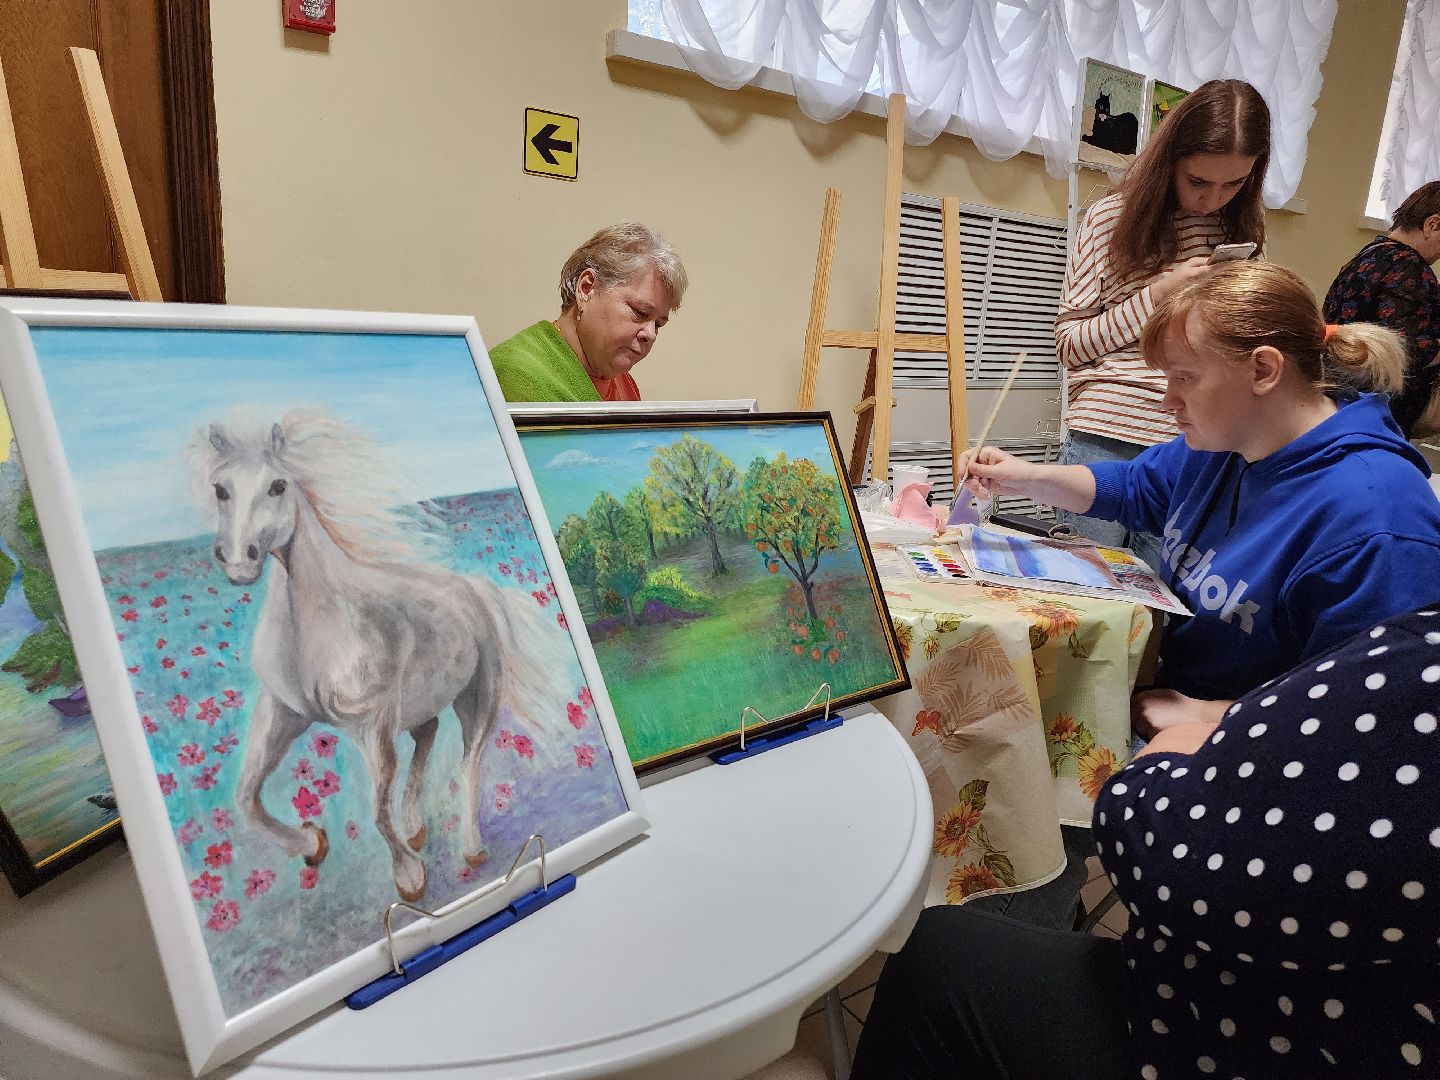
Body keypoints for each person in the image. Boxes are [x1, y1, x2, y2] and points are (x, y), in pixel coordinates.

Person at [849, 602, 1440, 1079]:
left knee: (943, 948)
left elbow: (1185, 864)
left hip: (1235, 1032)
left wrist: (1167, 755)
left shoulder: (1378, 538)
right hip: (1280, 969)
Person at [963, 261, 1440, 734]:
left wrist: (1213, 716)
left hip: (1258, 748)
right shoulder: (1226, 444)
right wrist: (1021, 478)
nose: (1166, 400)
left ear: (1263, 369)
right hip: (1169, 697)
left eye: (1183, 378)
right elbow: (1133, 487)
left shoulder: (1378, 519)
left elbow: (1377, 708)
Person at [1056, 79, 1271, 569]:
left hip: (1194, 442)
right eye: (1198, 181)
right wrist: (1160, 294)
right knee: (1087, 597)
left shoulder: (1239, 231)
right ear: (1169, 160)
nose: (1212, 199)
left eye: (1234, 183)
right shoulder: (1111, 217)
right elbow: (1070, 346)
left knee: (1162, 613)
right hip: (1108, 429)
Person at [488, 222, 688, 402]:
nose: (651, 334)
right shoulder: (516, 373)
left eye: (659, 324)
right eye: (640, 312)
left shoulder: (623, 381)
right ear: (587, 288)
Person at [1323, 179, 1440, 438]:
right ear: (1433, 224)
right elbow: (1407, 351)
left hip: (1340, 398)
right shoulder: (1410, 268)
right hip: (1381, 411)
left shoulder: (1366, 256)